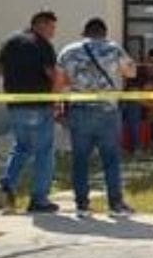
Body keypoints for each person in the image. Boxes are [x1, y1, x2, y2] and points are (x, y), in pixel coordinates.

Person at [58, 18, 136, 216]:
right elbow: (131, 73)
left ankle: (82, 205)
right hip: (107, 112)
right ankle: (116, 205)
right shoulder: (114, 48)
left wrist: (59, 102)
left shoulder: (68, 51)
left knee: (80, 160)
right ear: (104, 32)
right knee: (110, 159)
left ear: (84, 32)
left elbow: (60, 81)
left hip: (79, 110)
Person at [0, 10, 62, 213]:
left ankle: (7, 184)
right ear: (40, 25)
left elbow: (1, 71)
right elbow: (53, 75)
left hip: (15, 104)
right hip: (39, 105)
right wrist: (56, 100)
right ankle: (39, 199)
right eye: (51, 27)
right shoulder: (42, 44)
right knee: (44, 152)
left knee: (21, 147)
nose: (53, 32)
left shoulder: (9, 42)